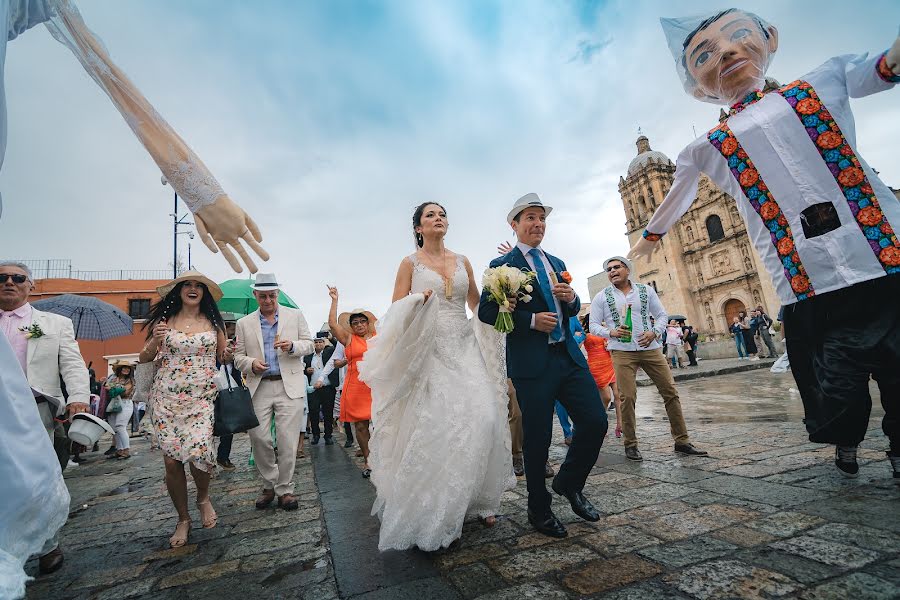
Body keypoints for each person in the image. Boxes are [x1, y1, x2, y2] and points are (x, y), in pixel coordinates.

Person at [632, 8, 900, 479]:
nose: (728, 52)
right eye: (705, 55)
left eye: (737, 36)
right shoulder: (706, 146)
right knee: (835, 378)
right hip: (807, 276)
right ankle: (846, 440)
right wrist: (651, 235)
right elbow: (679, 193)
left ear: (768, 38)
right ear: (698, 86)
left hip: (879, 253)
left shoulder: (820, 82)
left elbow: (878, 68)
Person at [358, 201, 515, 551]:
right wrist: (417, 300)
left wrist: (502, 301)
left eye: (442, 214)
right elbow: (395, 307)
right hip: (428, 349)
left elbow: (476, 304)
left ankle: (479, 496)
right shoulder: (409, 263)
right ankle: (441, 507)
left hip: (463, 344)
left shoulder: (463, 261)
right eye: (430, 215)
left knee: (485, 417)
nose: (438, 218)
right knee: (439, 424)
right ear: (418, 227)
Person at [479, 193, 608, 539]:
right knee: (538, 438)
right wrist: (531, 319)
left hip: (568, 357)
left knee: (595, 422)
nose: (538, 224)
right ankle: (538, 506)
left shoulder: (555, 260)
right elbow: (487, 313)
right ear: (515, 224)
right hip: (532, 364)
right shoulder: (500, 266)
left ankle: (569, 482)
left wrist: (573, 299)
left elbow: (570, 304)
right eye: (531, 218)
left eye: (542, 219)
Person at [0, 261, 89, 577]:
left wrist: (79, 397)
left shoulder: (46, 324)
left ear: (29, 285)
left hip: (33, 411)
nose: (9, 282)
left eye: (17, 278)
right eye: (2, 277)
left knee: (38, 479)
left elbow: (73, 365)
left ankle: (48, 543)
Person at [139, 271, 227, 548]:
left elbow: (223, 357)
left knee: (200, 451)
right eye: (186, 285)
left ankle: (203, 497)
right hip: (166, 397)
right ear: (178, 291)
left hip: (201, 397)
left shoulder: (214, 323)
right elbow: (143, 358)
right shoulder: (164, 322)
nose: (191, 289)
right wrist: (155, 339)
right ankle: (182, 518)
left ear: (204, 292)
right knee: (171, 461)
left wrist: (232, 352)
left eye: (197, 286)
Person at [590, 256, 707, 462]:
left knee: (670, 391)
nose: (613, 271)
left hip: (650, 348)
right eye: (609, 269)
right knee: (627, 397)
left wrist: (654, 332)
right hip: (622, 351)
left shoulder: (646, 291)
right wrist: (612, 332)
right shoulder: (602, 296)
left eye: (617, 267)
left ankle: (682, 441)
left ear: (628, 270)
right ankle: (631, 444)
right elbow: (593, 326)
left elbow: (662, 315)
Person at [233, 273, 314, 511]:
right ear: (255, 295)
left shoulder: (294, 316)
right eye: (263, 296)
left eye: (272, 295)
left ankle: (284, 489)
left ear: (277, 294)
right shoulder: (244, 323)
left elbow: (309, 343)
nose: (268, 300)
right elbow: (237, 357)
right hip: (259, 386)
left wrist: (292, 347)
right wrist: (251, 363)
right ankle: (269, 481)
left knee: (288, 441)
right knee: (259, 438)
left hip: (289, 385)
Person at [327, 289, 377, 477]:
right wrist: (335, 300)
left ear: (368, 323)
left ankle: (385, 458)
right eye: (354, 322)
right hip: (355, 386)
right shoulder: (348, 339)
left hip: (376, 384)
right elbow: (332, 324)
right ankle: (368, 461)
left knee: (382, 424)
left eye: (362, 321)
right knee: (361, 426)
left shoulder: (377, 338)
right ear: (351, 326)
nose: (359, 324)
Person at [580, 314, 622, 437]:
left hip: (609, 363)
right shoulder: (584, 334)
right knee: (607, 398)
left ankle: (620, 425)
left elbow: (611, 344)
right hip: (596, 367)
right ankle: (599, 422)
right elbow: (577, 347)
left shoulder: (604, 331)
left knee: (618, 395)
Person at [304, 337, 340, 445]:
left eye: (320, 342)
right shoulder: (308, 357)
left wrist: (331, 338)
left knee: (328, 412)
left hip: (327, 388)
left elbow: (338, 346)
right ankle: (315, 435)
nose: (318, 344)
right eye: (316, 342)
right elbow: (302, 370)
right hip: (313, 389)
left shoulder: (329, 352)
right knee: (314, 412)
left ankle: (328, 435)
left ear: (324, 343)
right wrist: (306, 371)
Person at [104, 359, 135, 460]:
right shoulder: (113, 379)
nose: (126, 370)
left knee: (120, 426)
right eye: (124, 367)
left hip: (125, 403)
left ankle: (126, 450)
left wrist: (114, 389)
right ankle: (119, 450)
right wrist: (116, 388)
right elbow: (106, 387)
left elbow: (125, 392)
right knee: (114, 429)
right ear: (119, 369)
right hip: (113, 404)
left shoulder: (130, 380)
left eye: (128, 368)